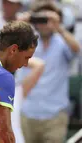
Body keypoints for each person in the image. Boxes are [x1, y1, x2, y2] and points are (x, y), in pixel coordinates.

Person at [16, 1, 80, 143]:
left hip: (55, 116)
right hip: (27, 114)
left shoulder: (63, 42)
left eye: (47, 19)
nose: (44, 23)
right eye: (40, 19)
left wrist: (59, 28)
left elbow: (77, 50)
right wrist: (20, 28)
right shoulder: (25, 42)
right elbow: (8, 52)